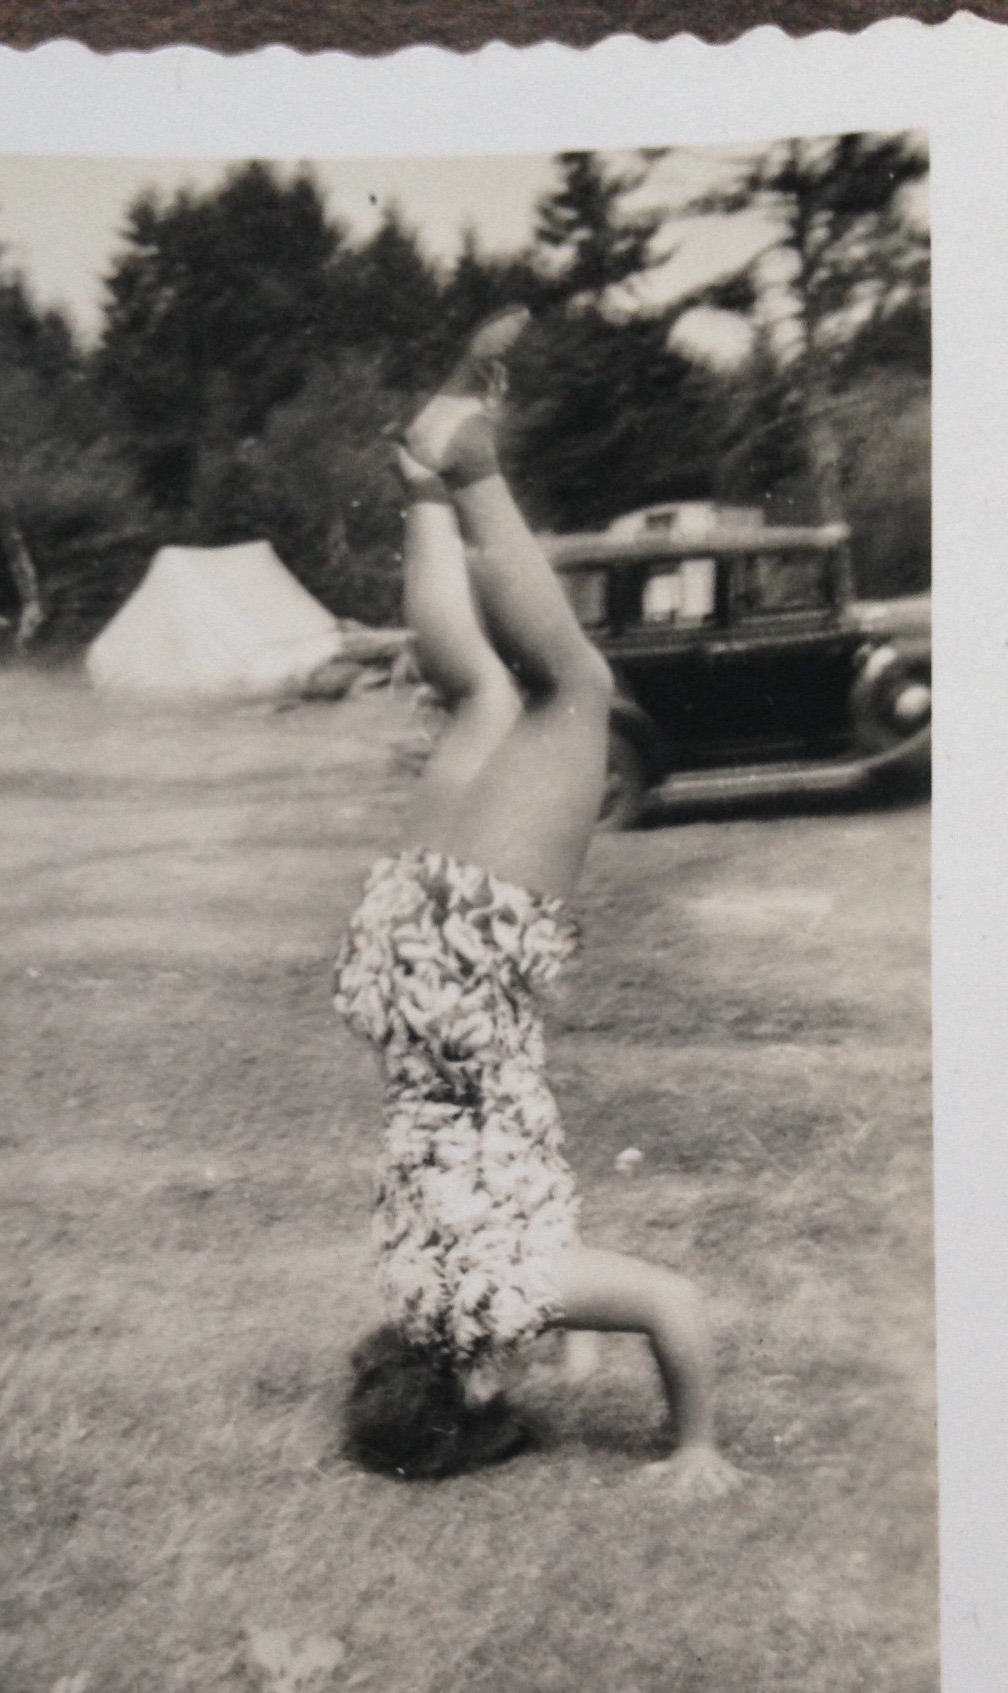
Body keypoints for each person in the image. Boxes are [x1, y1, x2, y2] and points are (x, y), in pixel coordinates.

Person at [334, 308, 740, 1499]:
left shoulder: (505, 1295)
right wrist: (553, 1325)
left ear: (474, 1388)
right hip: (400, 975)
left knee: (576, 687)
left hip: (464, 976)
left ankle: (471, 467)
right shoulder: (416, 1285)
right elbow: (505, 1249)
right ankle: (424, 486)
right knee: (482, 695)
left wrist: (695, 1443)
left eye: (498, 1399)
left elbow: (670, 1300)